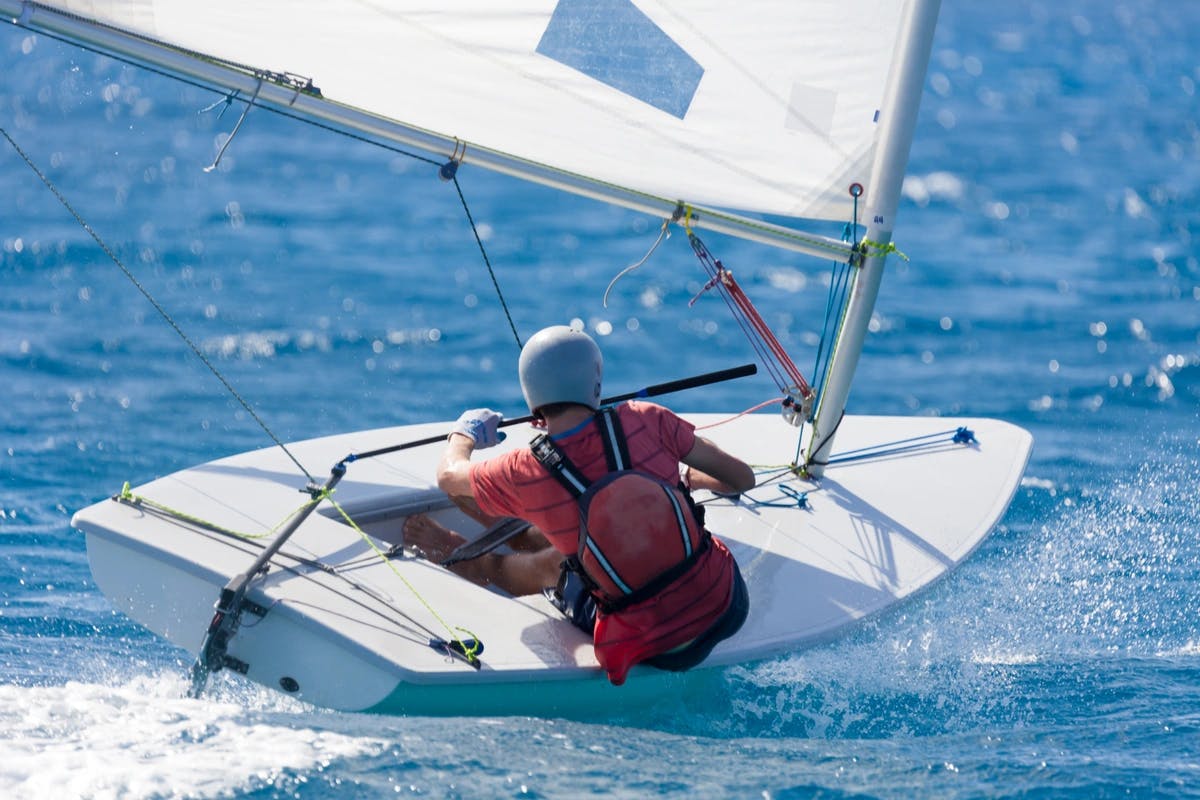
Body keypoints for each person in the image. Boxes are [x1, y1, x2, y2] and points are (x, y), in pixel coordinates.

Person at [404, 325, 754, 685]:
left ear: (533, 403)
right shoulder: (649, 419)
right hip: (725, 605)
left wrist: (464, 434)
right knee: (583, 545)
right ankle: (524, 538)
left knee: (553, 564)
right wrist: (691, 479)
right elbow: (742, 478)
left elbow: (449, 476)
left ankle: (470, 558)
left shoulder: (525, 468)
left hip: (655, 645)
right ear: (597, 387)